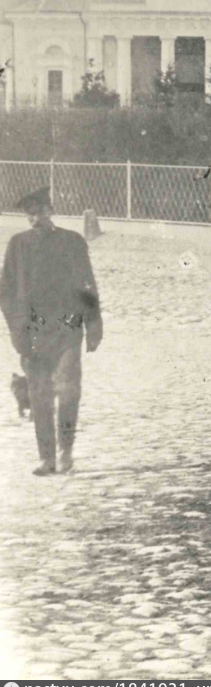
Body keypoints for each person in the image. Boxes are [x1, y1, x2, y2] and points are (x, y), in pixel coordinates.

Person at [0, 187, 102, 475]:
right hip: (32, 331)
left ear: (50, 211)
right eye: (29, 215)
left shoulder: (72, 242)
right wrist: (17, 328)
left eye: (39, 212)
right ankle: (47, 458)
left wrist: (93, 325)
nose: (34, 219)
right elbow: (5, 291)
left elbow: (87, 285)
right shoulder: (17, 245)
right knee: (39, 395)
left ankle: (65, 451)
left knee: (69, 390)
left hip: (67, 327)